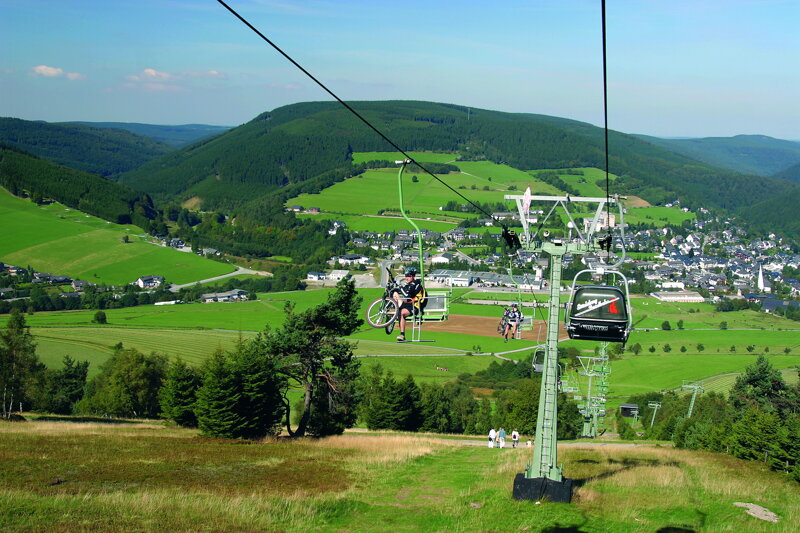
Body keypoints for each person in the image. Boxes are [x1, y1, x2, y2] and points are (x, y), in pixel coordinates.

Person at [393, 267, 423, 342]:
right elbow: (403, 291)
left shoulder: (416, 285)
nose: (406, 278)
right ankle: (391, 314)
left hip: (415, 306)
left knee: (402, 313)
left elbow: (406, 294)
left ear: (413, 276)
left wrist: (400, 286)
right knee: (395, 293)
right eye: (406, 276)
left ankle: (402, 334)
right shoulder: (409, 284)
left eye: (408, 276)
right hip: (407, 304)